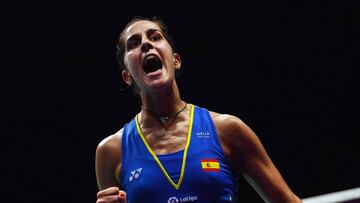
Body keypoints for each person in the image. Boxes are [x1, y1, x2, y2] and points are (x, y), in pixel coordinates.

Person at [95, 16, 302, 203]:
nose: (146, 44)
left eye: (155, 37)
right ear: (127, 76)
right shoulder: (111, 151)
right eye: (134, 43)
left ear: (175, 60)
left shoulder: (227, 130)